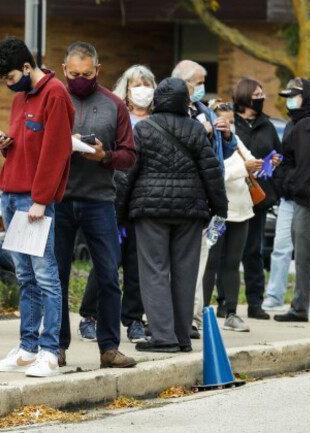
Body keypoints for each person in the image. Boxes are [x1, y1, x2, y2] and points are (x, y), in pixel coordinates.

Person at [0, 36, 74, 377]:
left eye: (10, 78)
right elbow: (29, 145)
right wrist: (7, 146)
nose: (9, 86)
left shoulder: (56, 94)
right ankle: (26, 348)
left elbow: (56, 151)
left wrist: (41, 199)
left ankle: (49, 351)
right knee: (25, 276)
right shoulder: (22, 95)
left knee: (46, 276)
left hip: (33, 200)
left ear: (26, 67)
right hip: (10, 192)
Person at [118, 77, 227, 353]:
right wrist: (220, 209)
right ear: (184, 102)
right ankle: (182, 337)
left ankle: (163, 337)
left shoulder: (144, 128)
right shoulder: (195, 130)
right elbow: (211, 171)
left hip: (150, 210)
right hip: (190, 211)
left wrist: (120, 213)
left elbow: (128, 174)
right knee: (185, 273)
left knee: (154, 271)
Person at [54, 42, 137, 370]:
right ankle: (57, 347)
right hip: (59, 201)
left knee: (107, 275)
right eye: (74, 74)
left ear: (98, 71)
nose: (80, 79)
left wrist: (104, 157)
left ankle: (109, 348)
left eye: (87, 74)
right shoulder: (55, 99)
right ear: (64, 70)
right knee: (57, 276)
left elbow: (129, 156)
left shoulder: (115, 105)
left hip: (100, 201)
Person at [171, 60, 237, 337]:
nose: (201, 89)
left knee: (199, 260)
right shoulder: (169, 110)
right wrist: (202, 132)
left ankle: (193, 317)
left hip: (207, 199)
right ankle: (165, 317)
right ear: (184, 84)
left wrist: (226, 134)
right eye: (198, 83)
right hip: (179, 198)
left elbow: (227, 151)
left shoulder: (204, 111)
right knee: (172, 262)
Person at [203, 100, 264, 332]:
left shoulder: (236, 141)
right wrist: (244, 168)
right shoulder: (208, 142)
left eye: (231, 122)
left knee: (232, 264)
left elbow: (249, 162)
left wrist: (261, 164)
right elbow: (217, 175)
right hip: (218, 215)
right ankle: (203, 312)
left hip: (242, 213)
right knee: (210, 262)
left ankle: (231, 313)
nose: (228, 126)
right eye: (224, 122)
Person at [263, 78, 310, 311]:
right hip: (293, 199)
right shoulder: (291, 126)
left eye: (295, 96)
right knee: (282, 248)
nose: (291, 102)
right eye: (288, 97)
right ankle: (276, 297)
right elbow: (286, 160)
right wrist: (289, 182)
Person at [111, 64, 158, 343]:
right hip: (116, 197)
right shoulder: (118, 117)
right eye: (135, 85)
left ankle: (133, 319)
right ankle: (91, 315)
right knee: (107, 261)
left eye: (146, 84)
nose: (141, 90)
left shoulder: (160, 118)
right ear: (126, 90)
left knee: (137, 266)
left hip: (145, 200)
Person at [233, 77, 282, 320]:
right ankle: (225, 302)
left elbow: (279, 154)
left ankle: (255, 303)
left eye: (261, 94)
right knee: (226, 253)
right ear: (244, 98)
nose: (261, 99)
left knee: (254, 251)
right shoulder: (230, 123)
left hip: (258, 199)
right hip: (232, 199)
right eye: (256, 95)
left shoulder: (268, 125)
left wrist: (276, 161)